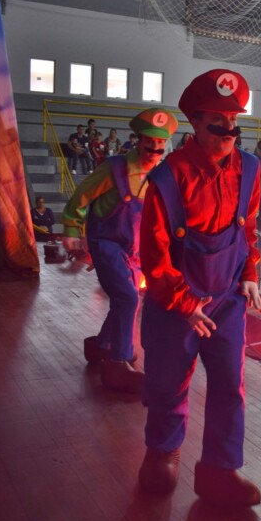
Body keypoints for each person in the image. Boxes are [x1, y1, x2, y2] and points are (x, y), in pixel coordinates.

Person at [137, 69, 261, 507]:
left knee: (231, 384)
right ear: (195, 121)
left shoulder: (250, 169)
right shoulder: (167, 178)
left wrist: (250, 274)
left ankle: (219, 470)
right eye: (218, 123)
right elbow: (154, 256)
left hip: (227, 298)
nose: (229, 132)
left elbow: (248, 230)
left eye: (235, 123)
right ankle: (163, 452)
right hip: (177, 301)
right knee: (169, 382)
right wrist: (185, 302)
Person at [62, 108, 178, 392]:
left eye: (160, 144)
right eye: (149, 142)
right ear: (138, 140)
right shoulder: (114, 168)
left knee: (128, 299)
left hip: (136, 248)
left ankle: (102, 345)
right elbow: (81, 197)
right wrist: (71, 230)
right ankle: (119, 362)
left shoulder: (162, 175)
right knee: (126, 297)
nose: (154, 149)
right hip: (106, 243)